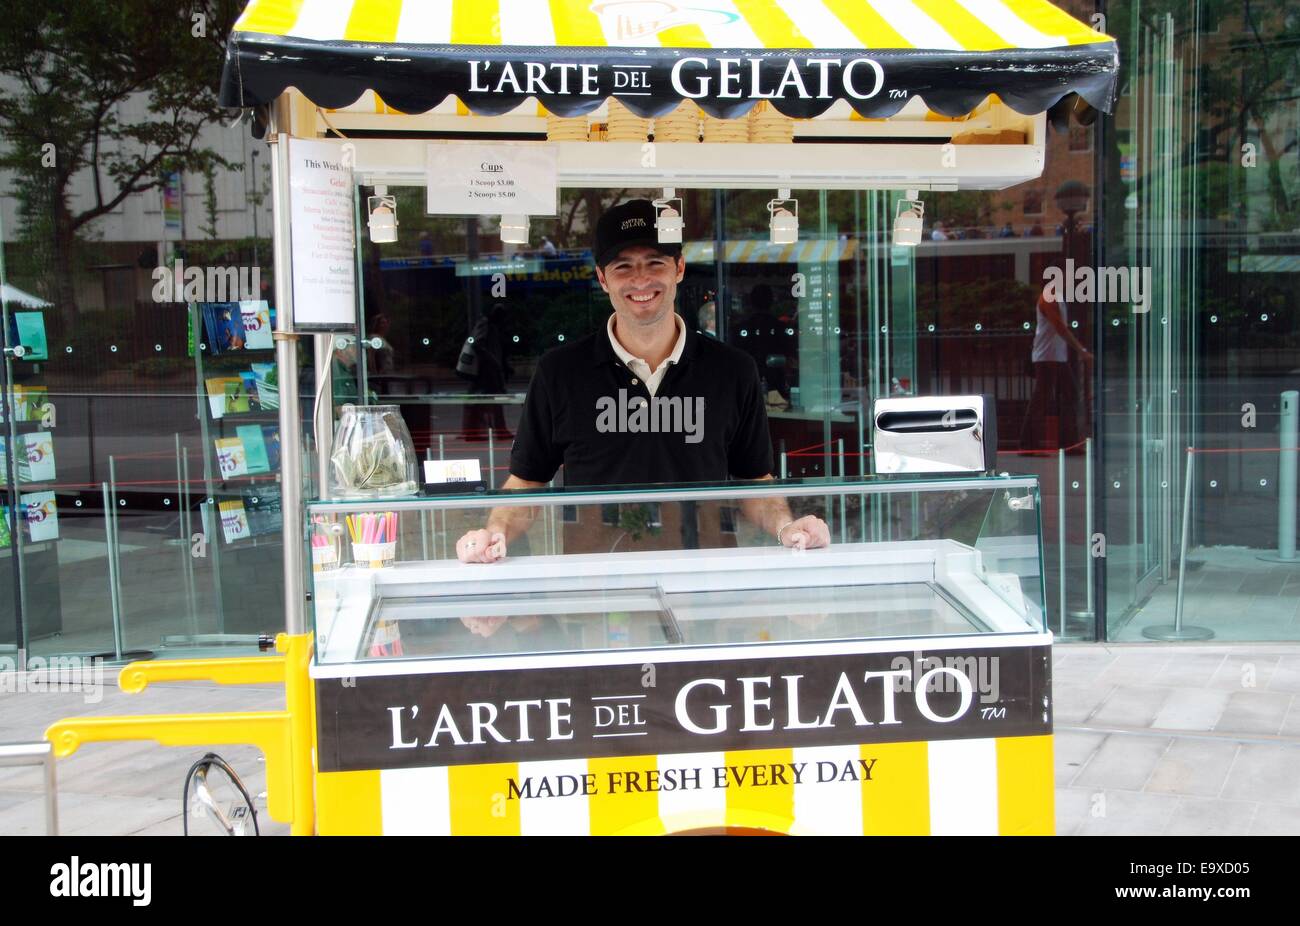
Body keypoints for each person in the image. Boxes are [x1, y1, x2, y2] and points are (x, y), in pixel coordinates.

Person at [457, 199, 829, 564]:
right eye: (623, 266)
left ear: (679, 268)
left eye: (655, 262)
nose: (641, 280)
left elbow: (754, 482)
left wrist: (787, 527)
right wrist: (496, 531)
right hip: (596, 585)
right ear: (602, 277)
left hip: (703, 580)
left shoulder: (732, 370)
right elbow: (527, 482)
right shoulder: (560, 371)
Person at [1020, 278, 1092, 450]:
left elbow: (1060, 327)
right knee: (1046, 400)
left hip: (1054, 357)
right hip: (1048, 357)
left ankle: (1064, 443)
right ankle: (1032, 444)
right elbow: (1060, 327)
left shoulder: (1056, 296)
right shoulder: (1049, 297)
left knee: (1061, 397)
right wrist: (1080, 350)